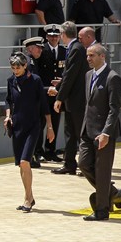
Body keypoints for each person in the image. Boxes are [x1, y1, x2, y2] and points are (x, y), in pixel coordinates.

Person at [78, 43, 121, 221]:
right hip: (87, 130)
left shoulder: (113, 77)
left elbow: (114, 109)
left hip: (104, 132)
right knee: (83, 164)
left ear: (102, 56)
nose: (88, 59)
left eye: (92, 55)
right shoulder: (88, 75)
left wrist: (106, 133)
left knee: (102, 171)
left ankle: (101, 211)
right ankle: (112, 193)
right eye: (87, 55)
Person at [5, 51, 51, 211]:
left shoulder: (35, 80)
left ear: (25, 66)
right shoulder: (11, 81)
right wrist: (8, 116)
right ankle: (29, 197)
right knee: (21, 164)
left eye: (18, 67)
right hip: (17, 126)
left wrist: (50, 127)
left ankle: (27, 199)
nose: (15, 70)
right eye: (13, 68)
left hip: (33, 125)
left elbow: (44, 104)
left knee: (25, 161)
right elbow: (8, 100)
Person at [53, 22, 87, 175]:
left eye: (60, 34)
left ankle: (86, 165)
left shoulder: (76, 49)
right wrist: (60, 85)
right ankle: (69, 164)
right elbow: (68, 75)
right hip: (72, 100)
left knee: (80, 134)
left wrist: (59, 96)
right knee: (70, 134)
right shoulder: (74, 48)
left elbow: (70, 76)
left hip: (77, 100)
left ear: (63, 34)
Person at [41, 26, 67, 160]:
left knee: (55, 122)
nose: (54, 38)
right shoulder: (42, 50)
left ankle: (50, 151)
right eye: (51, 36)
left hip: (57, 92)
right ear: (47, 37)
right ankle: (38, 151)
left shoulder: (64, 51)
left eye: (56, 36)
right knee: (41, 123)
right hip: (44, 92)